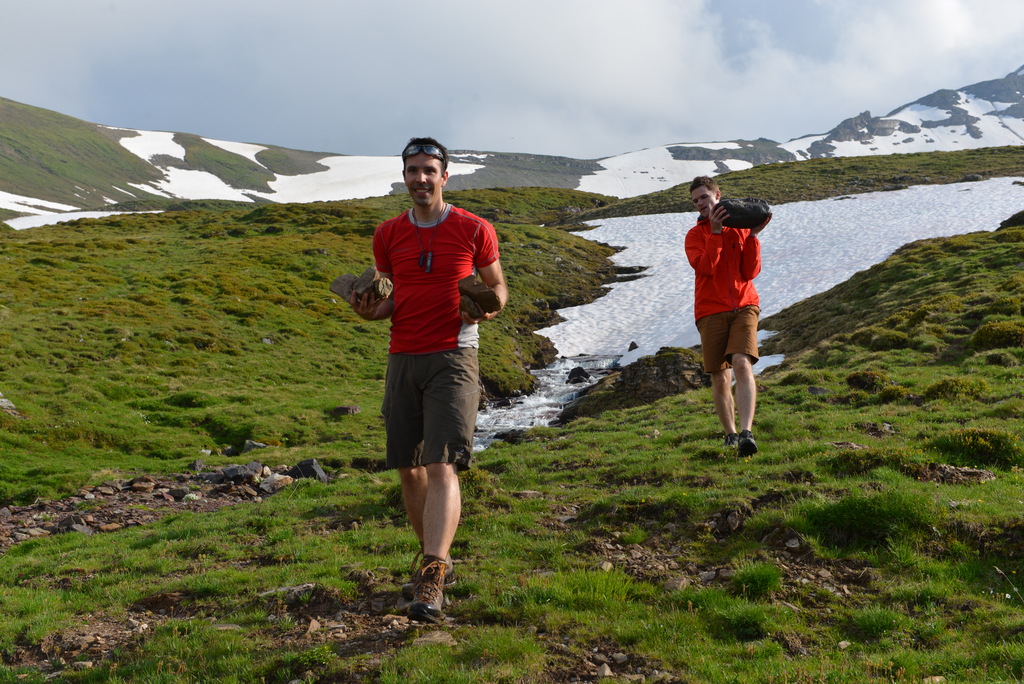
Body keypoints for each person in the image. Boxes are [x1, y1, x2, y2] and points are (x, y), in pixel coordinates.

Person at [348, 137, 508, 624]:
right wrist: (368, 311)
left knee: (441, 464)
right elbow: (389, 298)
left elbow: (498, 286)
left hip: (454, 355)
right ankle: (434, 564)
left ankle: (432, 576)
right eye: (413, 170)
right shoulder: (387, 234)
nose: (420, 178)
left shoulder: (474, 228)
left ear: (444, 176)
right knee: (409, 468)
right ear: (404, 176)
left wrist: (488, 307)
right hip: (402, 355)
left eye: (429, 170)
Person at [685, 176, 771, 457]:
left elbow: (750, 272)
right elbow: (706, 267)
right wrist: (716, 233)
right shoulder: (695, 236)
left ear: (717, 195)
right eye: (695, 200)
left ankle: (747, 432)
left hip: (745, 305)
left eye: (704, 197)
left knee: (742, 363)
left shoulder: (741, 230)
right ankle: (731, 435)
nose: (700, 203)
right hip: (710, 311)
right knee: (721, 377)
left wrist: (753, 236)